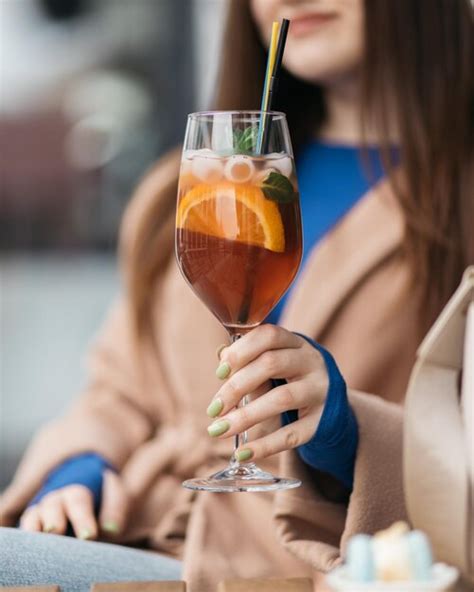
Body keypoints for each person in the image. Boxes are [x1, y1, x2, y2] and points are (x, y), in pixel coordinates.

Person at [1, 0, 473, 591]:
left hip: (319, 565)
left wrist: (346, 431)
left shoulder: (460, 203)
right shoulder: (192, 184)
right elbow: (120, 387)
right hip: (150, 536)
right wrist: (81, 465)